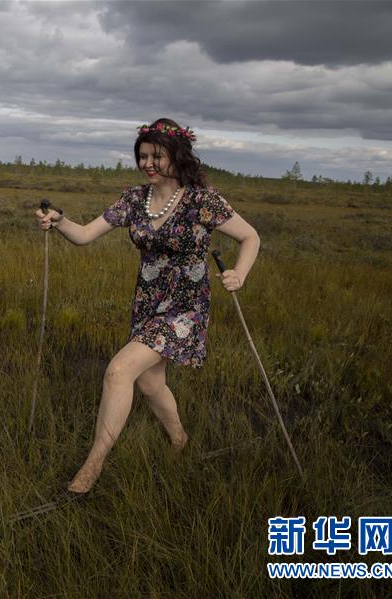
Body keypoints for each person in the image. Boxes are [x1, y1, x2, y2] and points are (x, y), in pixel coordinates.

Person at [34, 118, 260, 494]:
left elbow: (250, 236)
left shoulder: (202, 200)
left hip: (185, 308)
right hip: (148, 304)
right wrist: (58, 221)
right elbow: (86, 235)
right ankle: (179, 437)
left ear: (177, 155)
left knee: (119, 371)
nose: (148, 163)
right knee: (151, 382)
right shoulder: (134, 200)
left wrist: (240, 273)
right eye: (143, 156)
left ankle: (92, 468)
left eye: (157, 155)